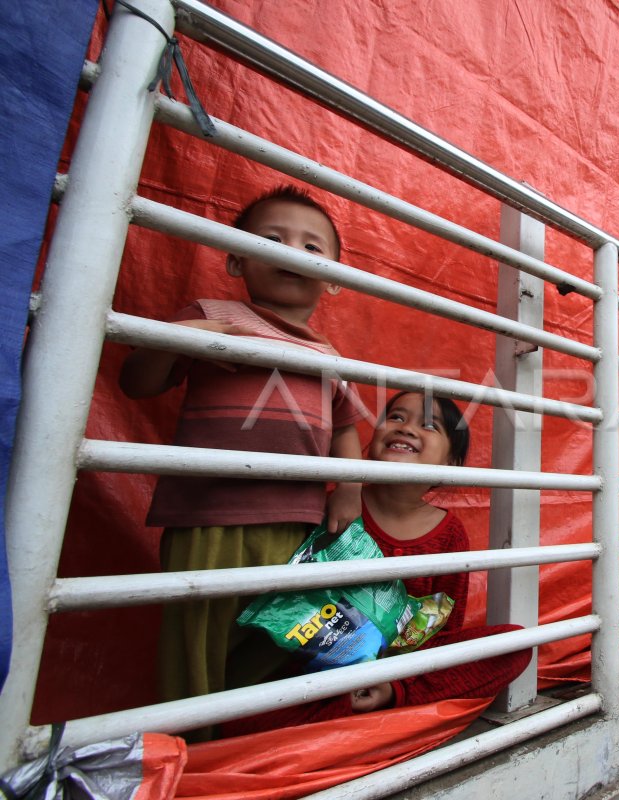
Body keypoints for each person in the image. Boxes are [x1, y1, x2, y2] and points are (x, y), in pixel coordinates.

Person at [119, 186, 365, 718]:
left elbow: (344, 426)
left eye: (311, 247)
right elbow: (137, 382)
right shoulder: (211, 314)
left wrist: (348, 488)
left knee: (281, 633)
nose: (288, 251)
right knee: (198, 635)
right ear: (234, 258)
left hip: (295, 521)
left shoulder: (326, 354)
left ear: (335, 280)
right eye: (272, 239)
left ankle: (245, 732)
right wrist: (189, 335)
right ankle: (188, 740)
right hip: (211, 513)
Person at [220, 391, 531, 737]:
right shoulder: (336, 508)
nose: (406, 429)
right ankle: (347, 712)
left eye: (429, 425)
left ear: (450, 465)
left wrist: (395, 685)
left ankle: (386, 701)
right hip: (316, 672)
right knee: (234, 718)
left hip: (396, 674)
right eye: (396, 417)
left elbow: (443, 633)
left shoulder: (450, 535)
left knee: (513, 645)